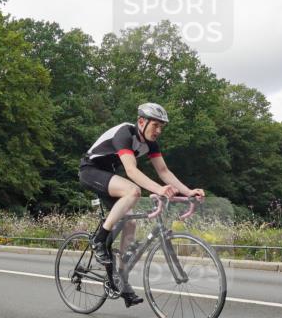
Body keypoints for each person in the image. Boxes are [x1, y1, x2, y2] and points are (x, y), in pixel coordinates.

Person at [78, 102, 205, 307]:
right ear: (141, 122)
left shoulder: (151, 143)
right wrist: (159, 189)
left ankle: (121, 279)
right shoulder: (125, 134)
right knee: (133, 191)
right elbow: (131, 170)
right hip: (90, 171)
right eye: (155, 125)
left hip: (109, 175)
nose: (159, 131)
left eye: (161, 127)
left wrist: (188, 191)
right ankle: (99, 240)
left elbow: (164, 171)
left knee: (130, 222)